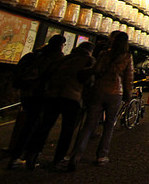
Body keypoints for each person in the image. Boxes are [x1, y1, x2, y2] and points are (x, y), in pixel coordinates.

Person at [22, 41, 95, 170]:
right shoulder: (89, 61)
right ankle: (58, 159)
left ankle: (32, 155)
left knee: (44, 127)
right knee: (67, 130)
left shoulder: (64, 59)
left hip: (53, 96)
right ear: (89, 51)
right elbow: (89, 80)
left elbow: (48, 74)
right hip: (73, 97)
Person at [68, 31, 133, 170]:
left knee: (89, 124)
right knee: (109, 125)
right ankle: (102, 156)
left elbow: (96, 69)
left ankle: (76, 155)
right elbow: (128, 78)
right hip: (115, 92)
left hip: (98, 90)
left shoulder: (105, 54)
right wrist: (128, 95)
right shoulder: (127, 57)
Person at [7, 34, 66, 169]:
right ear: (61, 45)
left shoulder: (35, 54)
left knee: (29, 123)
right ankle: (23, 156)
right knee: (34, 125)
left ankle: (18, 154)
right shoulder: (57, 58)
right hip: (42, 94)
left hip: (27, 93)